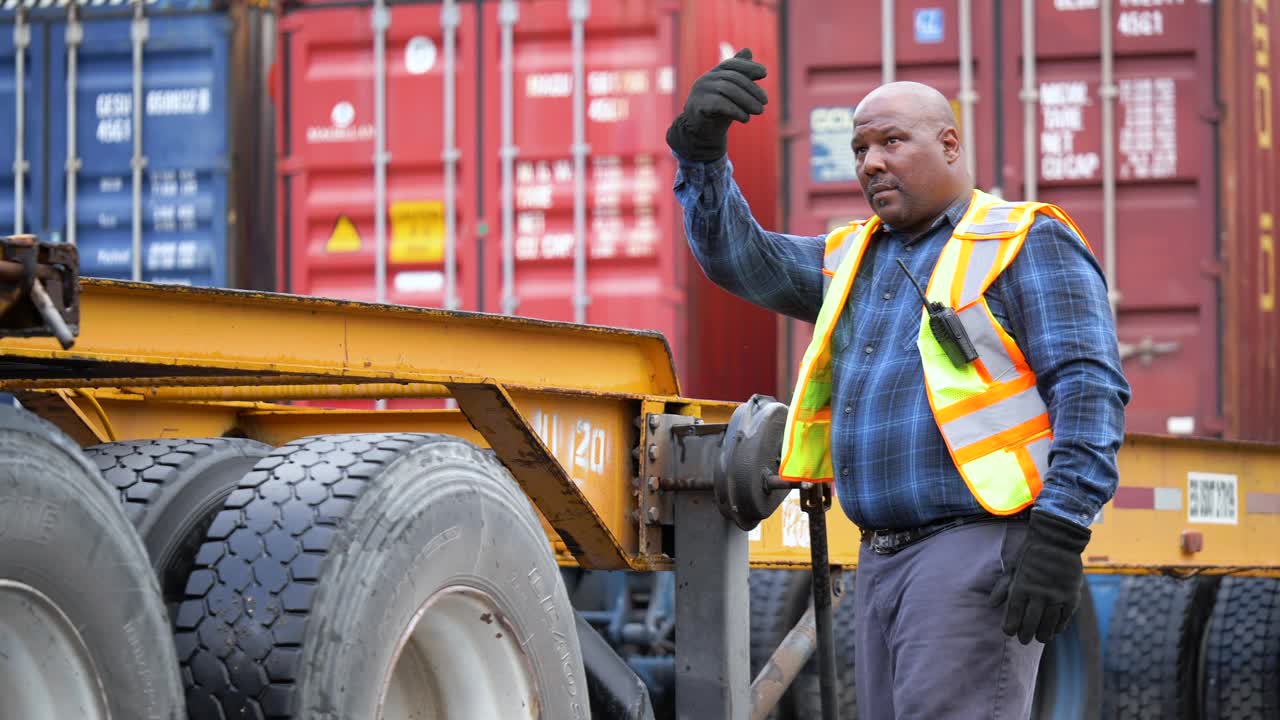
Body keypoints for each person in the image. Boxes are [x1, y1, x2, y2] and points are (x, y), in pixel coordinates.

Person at [666, 49, 1130, 719]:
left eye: (891, 141)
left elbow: (1089, 389)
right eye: (859, 148)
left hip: (972, 549)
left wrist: (1061, 533)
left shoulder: (1024, 241)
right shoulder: (855, 258)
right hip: (881, 558)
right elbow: (738, 257)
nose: (870, 162)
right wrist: (702, 155)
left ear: (949, 144)